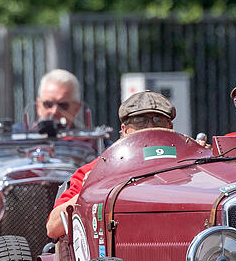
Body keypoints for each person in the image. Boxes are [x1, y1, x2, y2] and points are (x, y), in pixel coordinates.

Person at [45, 90, 176, 238]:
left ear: (170, 127)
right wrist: (87, 191)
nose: (150, 127)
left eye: (159, 120)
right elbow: (53, 228)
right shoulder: (97, 169)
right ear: (125, 130)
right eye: (140, 121)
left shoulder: (190, 167)